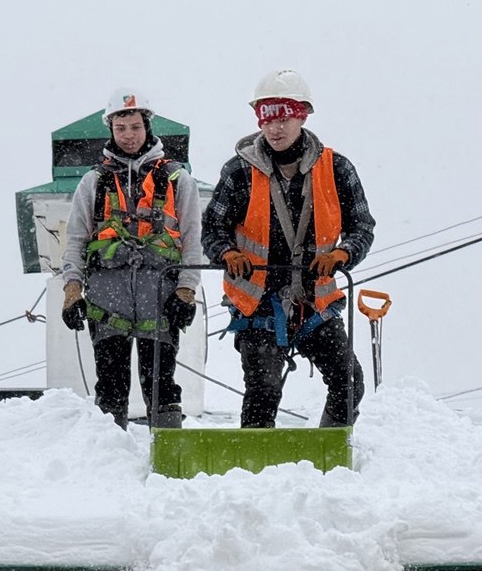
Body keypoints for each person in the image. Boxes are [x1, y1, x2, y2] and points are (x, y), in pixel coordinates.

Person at [202, 69, 375, 428]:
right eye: (266, 118)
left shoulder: (337, 169)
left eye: (283, 117)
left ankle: (331, 453)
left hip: (315, 302)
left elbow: (362, 226)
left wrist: (344, 254)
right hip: (257, 303)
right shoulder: (238, 172)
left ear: (302, 115)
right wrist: (226, 254)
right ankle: (253, 468)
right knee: (263, 389)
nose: (274, 128)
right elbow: (212, 229)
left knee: (349, 382)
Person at [60, 89, 203, 429]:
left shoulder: (177, 180)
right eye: (121, 127)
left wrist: (186, 291)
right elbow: (76, 239)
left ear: (147, 127)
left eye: (135, 127)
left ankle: (170, 460)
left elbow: (192, 239)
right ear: (110, 128)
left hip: (161, 296)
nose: (128, 135)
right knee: (110, 385)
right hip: (106, 298)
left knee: (162, 384)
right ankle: (109, 462)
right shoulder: (93, 182)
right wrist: (71, 291)